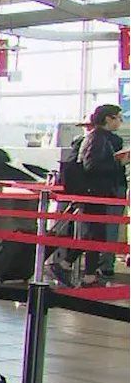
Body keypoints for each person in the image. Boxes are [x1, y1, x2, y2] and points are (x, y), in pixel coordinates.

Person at [52, 104, 128, 287]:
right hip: (94, 193)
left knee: (95, 236)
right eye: (118, 117)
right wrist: (120, 163)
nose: (120, 121)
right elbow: (92, 166)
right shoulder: (98, 139)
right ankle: (67, 265)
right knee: (94, 235)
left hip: (95, 193)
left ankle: (87, 274)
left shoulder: (99, 138)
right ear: (108, 119)